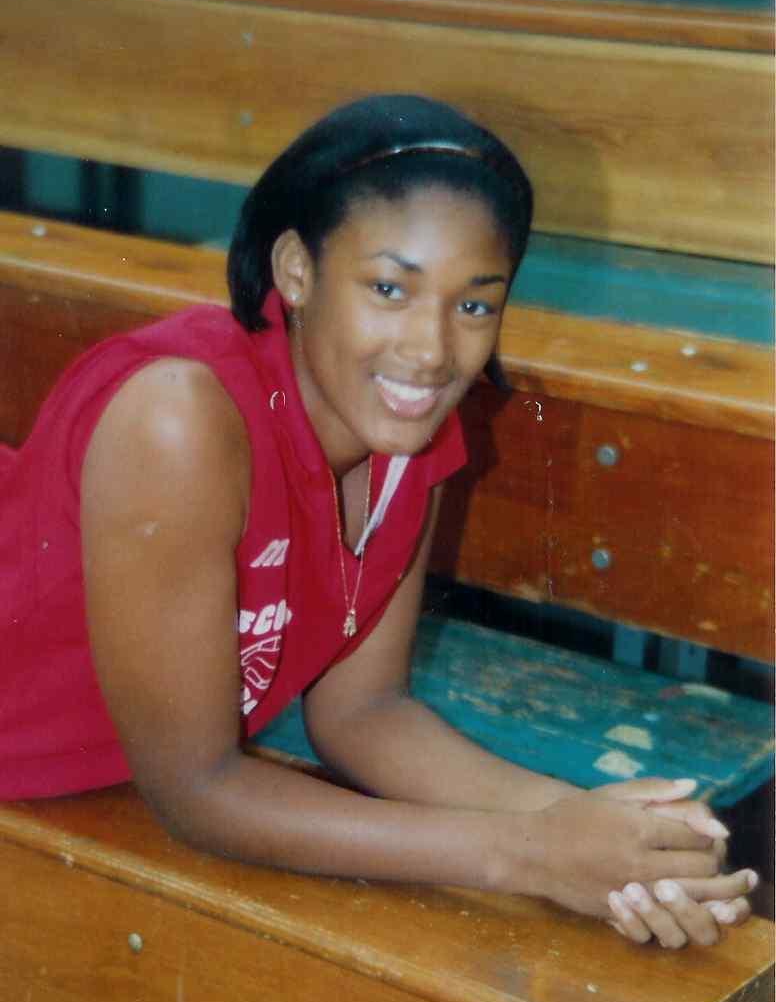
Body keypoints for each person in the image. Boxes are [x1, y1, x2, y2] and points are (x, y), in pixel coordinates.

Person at [0, 94, 755, 948]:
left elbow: (363, 714)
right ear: (296, 270)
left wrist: (605, 834)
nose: (431, 349)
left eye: (475, 305)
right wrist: (531, 855)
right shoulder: (181, 421)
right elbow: (196, 790)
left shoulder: (409, 431)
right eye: (389, 289)